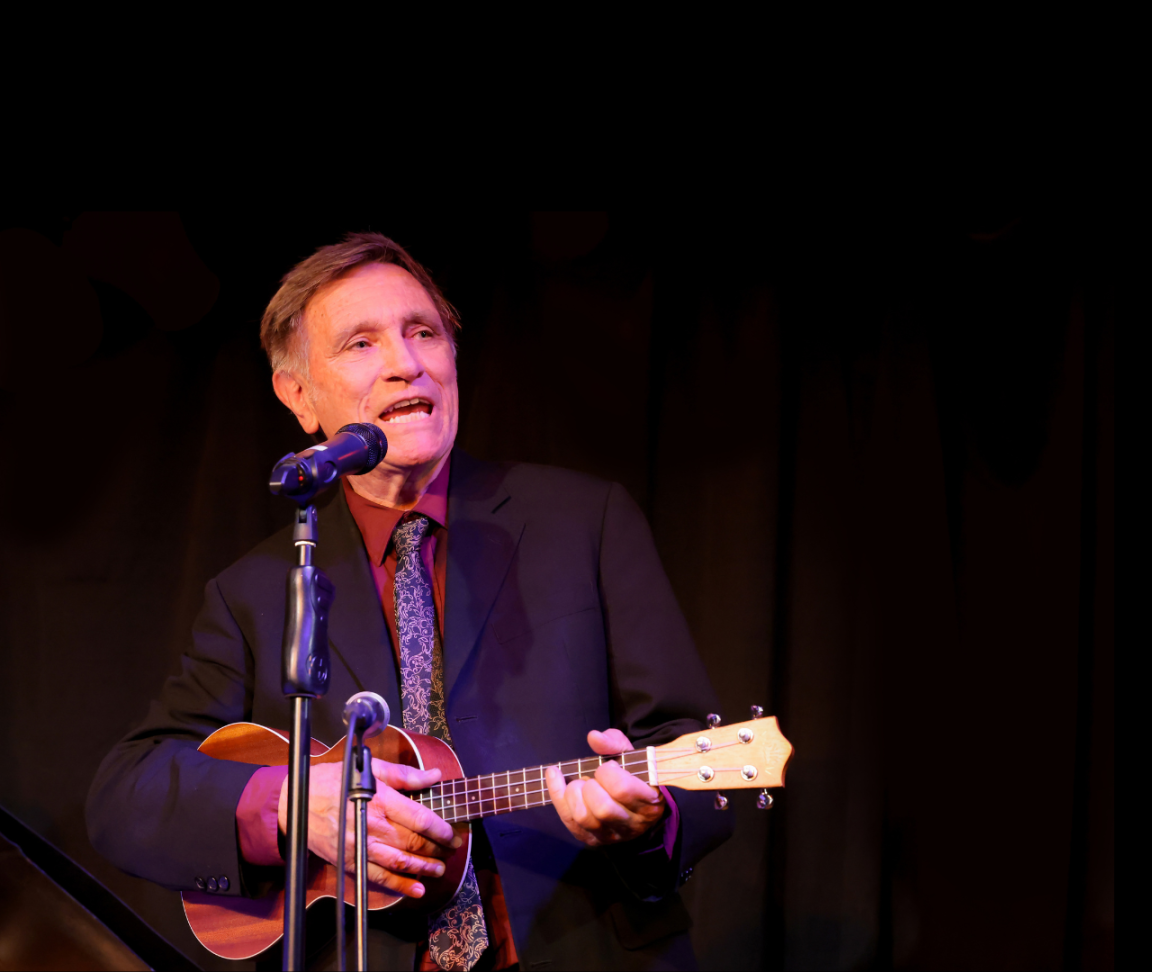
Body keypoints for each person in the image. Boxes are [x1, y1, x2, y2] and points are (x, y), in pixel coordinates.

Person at [87, 232, 733, 970]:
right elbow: (125, 795)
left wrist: (649, 819)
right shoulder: (256, 590)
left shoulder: (586, 522)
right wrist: (291, 807)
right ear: (299, 396)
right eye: (361, 343)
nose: (406, 363)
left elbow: (692, 754)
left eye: (423, 332)